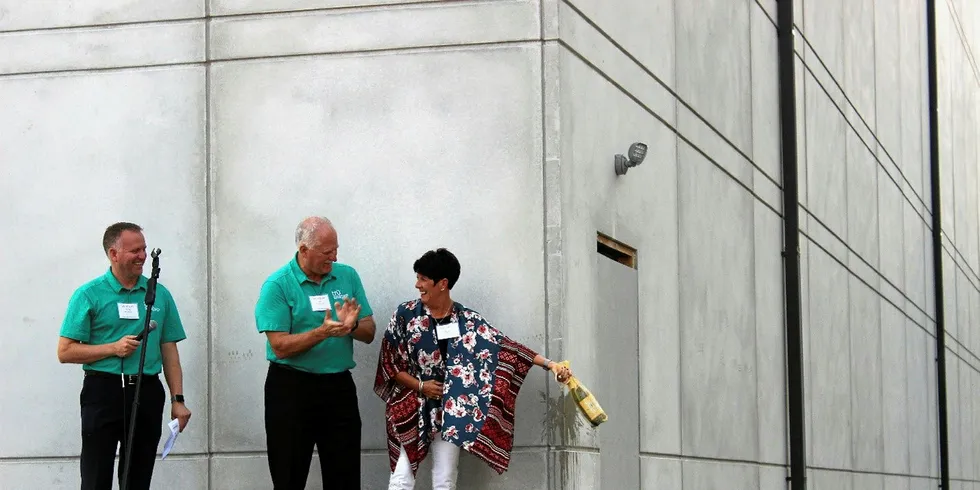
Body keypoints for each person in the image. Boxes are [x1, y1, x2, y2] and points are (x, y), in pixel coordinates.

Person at [374, 248, 572, 489]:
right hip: (410, 404)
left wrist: (552, 365)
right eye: (418, 277)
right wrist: (421, 386)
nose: (418, 285)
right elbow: (390, 363)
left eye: (423, 279)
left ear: (443, 283)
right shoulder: (406, 315)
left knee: (444, 478)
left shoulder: (467, 320)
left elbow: (506, 346)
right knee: (401, 478)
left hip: (451, 409)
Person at [57, 222, 192, 490]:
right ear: (113, 254)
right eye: (134, 250)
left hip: (146, 391)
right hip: (103, 390)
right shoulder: (88, 295)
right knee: (96, 475)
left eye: (144, 248)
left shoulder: (159, 295)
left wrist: (178, 399)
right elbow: (65, 351)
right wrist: (112, 348)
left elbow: (169, 351)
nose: (142, 256)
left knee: (138, 476)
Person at [254, 216, 377, 490]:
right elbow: (279, 346)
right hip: (291, 388)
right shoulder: (277, 285)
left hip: (338, 388)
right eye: (326, 251)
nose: (333, 256)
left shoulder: (347, 275)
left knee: (344, 474)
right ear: (304, 250)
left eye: (335, 249)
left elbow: (369, 331)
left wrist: (351, 326)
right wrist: (321, 333)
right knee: (289, 474)